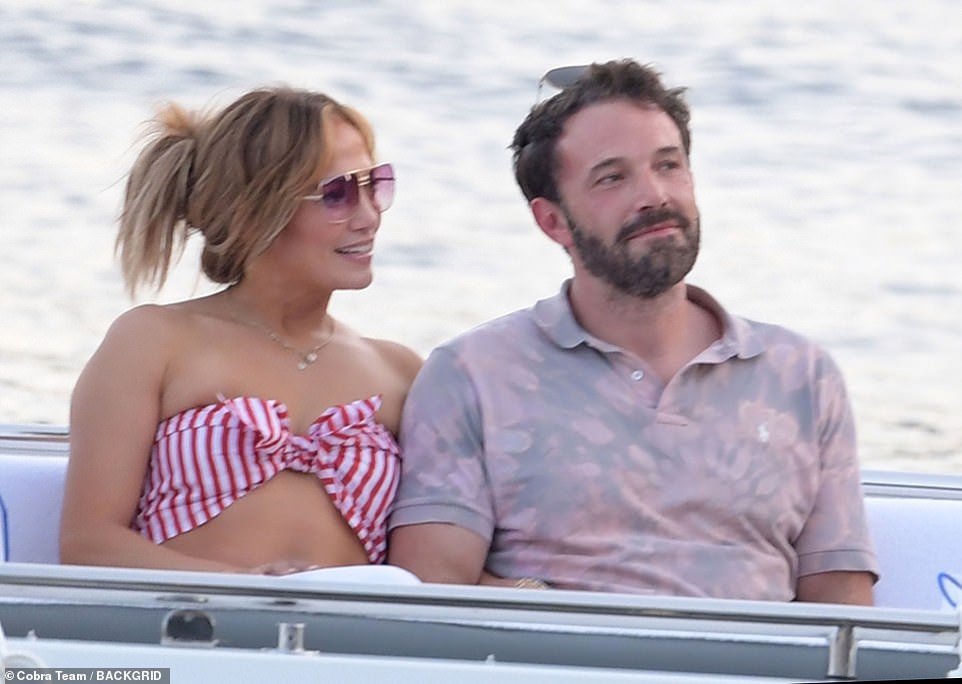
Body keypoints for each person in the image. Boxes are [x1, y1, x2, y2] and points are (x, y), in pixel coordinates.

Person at [387, 59, 878, 604]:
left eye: (668, 165)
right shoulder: (472, 374)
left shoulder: (800, 375)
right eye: (613, 178)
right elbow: (431, 592)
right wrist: (544, 602)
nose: (654, 195)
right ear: (552, 221)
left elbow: (841, 608)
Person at [60, 86, 421, 574]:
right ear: (257, 207)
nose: (369, 216)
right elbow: (89, 545)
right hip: (190, 634)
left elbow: (436, 557)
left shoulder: (400, 372)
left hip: (354, 642)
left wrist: (529, 589)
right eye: (338, 194)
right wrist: (246, 588)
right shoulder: (153, 341)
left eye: (375, 184)